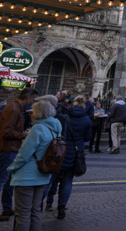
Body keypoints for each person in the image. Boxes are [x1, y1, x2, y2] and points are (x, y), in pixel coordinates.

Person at [7, 98, 62, 231]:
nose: (31, 114)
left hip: (27, 176)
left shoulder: (38, 128)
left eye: (33, 112)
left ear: (39, 113)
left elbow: (24, 154)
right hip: (43, 174)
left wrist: (12, 168)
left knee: (23, 213)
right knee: (36, 210)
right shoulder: (55, 128)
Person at [44, 95, 91, 219]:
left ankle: (41, 203)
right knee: (67, 181)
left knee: (49, 180)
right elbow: (87, 138)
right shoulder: (86, 120)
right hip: (74, 153)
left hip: (59, 151)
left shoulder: (64, 117)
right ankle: (61, 208)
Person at [0, 87, 35, 222]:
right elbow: (6, 131)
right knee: (3, 179)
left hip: (12, 148)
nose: (31, 102)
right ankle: (6, 208)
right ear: (27, 98)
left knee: (9, 181)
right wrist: (23, 134)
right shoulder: (14, 109)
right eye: (31, 99)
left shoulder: (15, 108)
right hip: (8, 148)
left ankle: (7, 208)